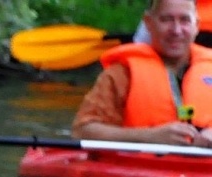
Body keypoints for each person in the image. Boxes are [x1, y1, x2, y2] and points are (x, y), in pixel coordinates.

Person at [74, 0, 212, 147]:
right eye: (166, 20)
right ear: (148, 23)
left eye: (184, 20)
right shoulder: (121, 73)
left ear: (196, 25)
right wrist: (148, 136)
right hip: (141, 164)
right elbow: (82, 130)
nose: (176, 30)